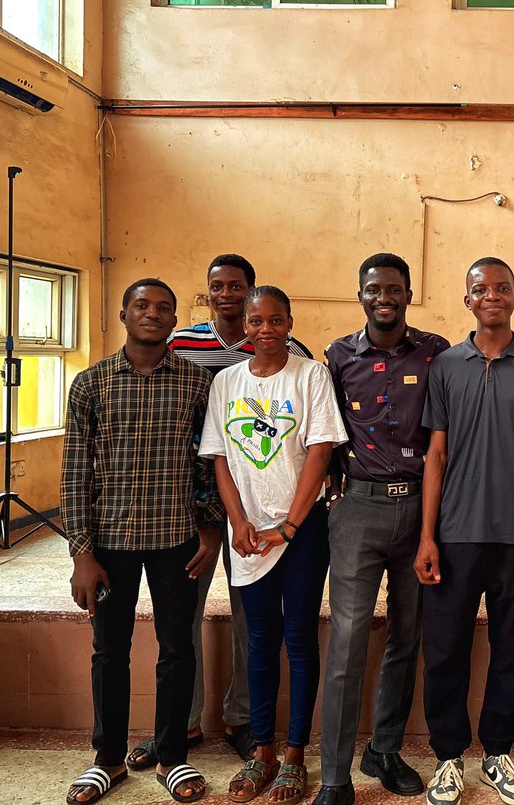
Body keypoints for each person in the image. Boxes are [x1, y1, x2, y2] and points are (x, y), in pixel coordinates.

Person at [144, 253, 314, 768]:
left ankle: (244, 720)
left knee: (250, 618)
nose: (227, 295)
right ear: (207, 291)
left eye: (236, 286)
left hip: (258, 508)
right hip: (191, 504)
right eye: (217, 286)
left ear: (252, 290)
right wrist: (209, 516)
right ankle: (182, 723)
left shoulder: (291, 352)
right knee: (183, 615)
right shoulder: (181, 344)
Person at [62, 278, 221, 805]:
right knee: (110, 651)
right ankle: (107, 759)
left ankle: (172, 756)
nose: (152, 314)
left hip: (177, 538)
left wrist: (210, 525)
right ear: (124, 314)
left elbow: (208, 462)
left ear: (175, 320)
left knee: (177, 648)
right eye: (141, 305)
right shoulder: (91, 384)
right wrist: (82, 552)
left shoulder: (197, 383)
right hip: (109, 543)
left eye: (163, 308)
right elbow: (75, 472)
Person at [415, 257, 514, 805]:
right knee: (445, 650)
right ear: (468, 300)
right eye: (481, 289)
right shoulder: (445, 367)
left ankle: (497, 753)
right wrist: (427, 536)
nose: (492, 296)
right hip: (455, 535)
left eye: (502, 288)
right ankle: (448, 757)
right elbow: (435, 455)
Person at [199, 286, 347, 804]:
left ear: (290, 323)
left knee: (299, 638)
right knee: (259, 640)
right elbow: (220, 457)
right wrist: (238, 520)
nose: (266, 329)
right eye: (256, 321)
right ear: (244, 325)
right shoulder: (226, 382)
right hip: (247, 535)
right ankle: (262, 750)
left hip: (301, 532)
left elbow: (320, 452)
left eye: (276, 320)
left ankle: (295, 755)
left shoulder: (311, 376)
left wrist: (288, 526)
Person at [317, 253, 449, 805]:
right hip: (358, 510)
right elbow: (325, 429)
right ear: (361, 295)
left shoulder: (436, 352)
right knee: (347, 640)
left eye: (393, 289)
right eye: (373, 289)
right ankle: (335, 775)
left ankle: (385, 750)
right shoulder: (337, 356)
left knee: (406, 635)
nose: (384, 297)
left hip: (420, 509)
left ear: (408, 294)